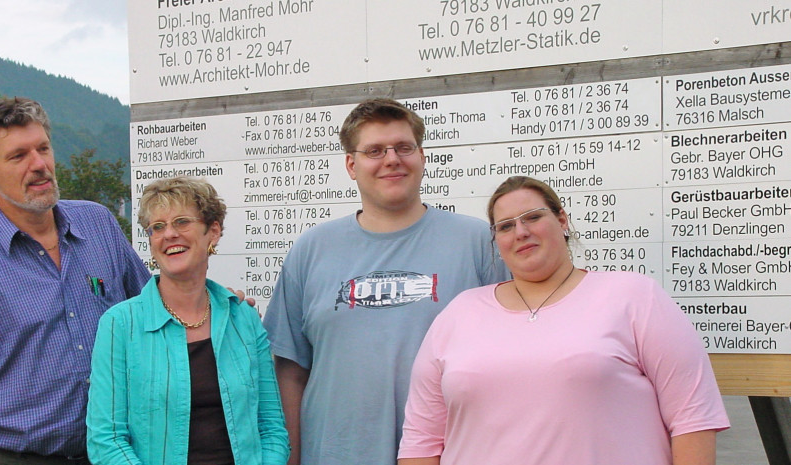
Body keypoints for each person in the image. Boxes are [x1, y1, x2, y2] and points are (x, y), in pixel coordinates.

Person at [398, 175, 730, 465]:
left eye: (533, 217)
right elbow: (420, 441)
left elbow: (693, 418)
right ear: (497, 241)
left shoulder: (634, 296)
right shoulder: (459, 313)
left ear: (562, 220)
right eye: (506, 226)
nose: (521, 232)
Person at [0, 97, 152, 465]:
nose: (39, 165)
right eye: (19, 156)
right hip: (12, 456)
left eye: (43, 149)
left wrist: (212, 305)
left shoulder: (98, 225)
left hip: (112, 453)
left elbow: (155, 312)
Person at [262, 98, 509, 465]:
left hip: (451, 455)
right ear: (351, 164)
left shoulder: (478, 243)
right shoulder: (311, 249)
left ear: (422, 156)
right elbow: (290, 372)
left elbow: (510, 362)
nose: (391, 159)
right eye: (375, 150)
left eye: (403, 147)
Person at [86, 176, 288, 465]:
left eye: (182, 222)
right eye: (158, 227)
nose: (169, 234)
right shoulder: (120, 325)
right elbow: (107, 439)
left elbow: (271, 428)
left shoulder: (242, 318)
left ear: (213, 232)